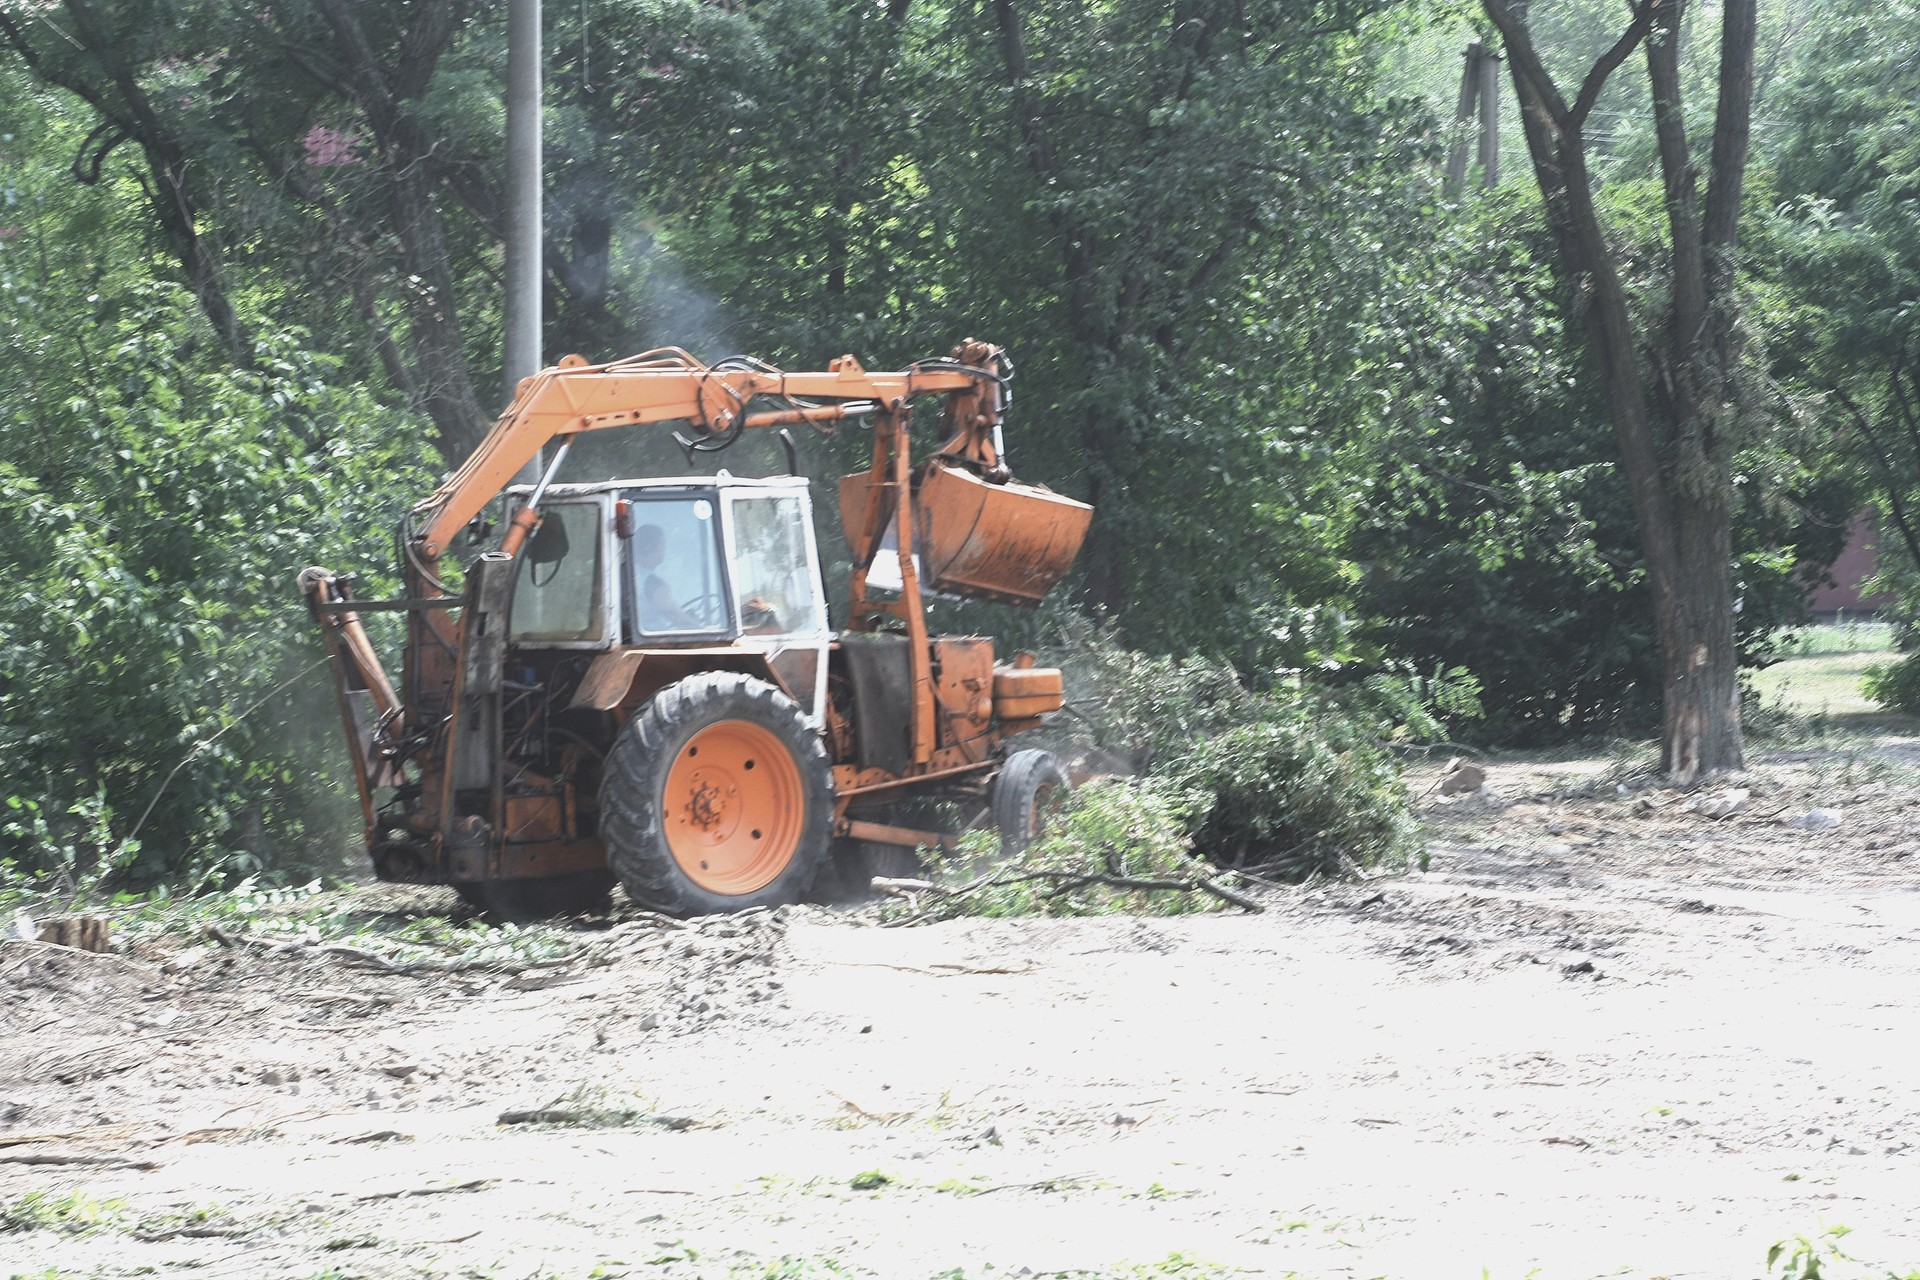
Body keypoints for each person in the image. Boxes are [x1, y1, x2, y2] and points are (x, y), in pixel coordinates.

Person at [635, 523, 704, 630]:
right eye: (663, 544)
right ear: (658, 546)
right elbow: (674, 614)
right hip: (653, 641)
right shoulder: (652, 583)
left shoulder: (629, 575)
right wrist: (701, 628)